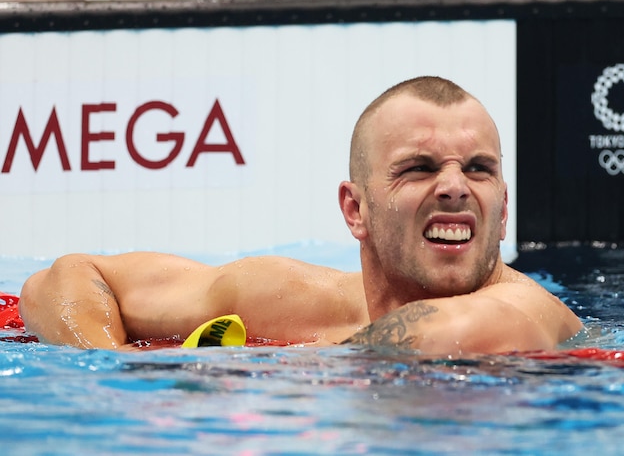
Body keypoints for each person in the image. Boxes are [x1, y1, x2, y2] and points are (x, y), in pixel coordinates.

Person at [18, 76, 583, 354]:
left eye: (480, 169)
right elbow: (62, 279)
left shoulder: (520, 312)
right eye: (420, 167)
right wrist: (117, 369)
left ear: (503, 210)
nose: (456, 188)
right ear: (354, 209)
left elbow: (437, 339)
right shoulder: (288, 295)